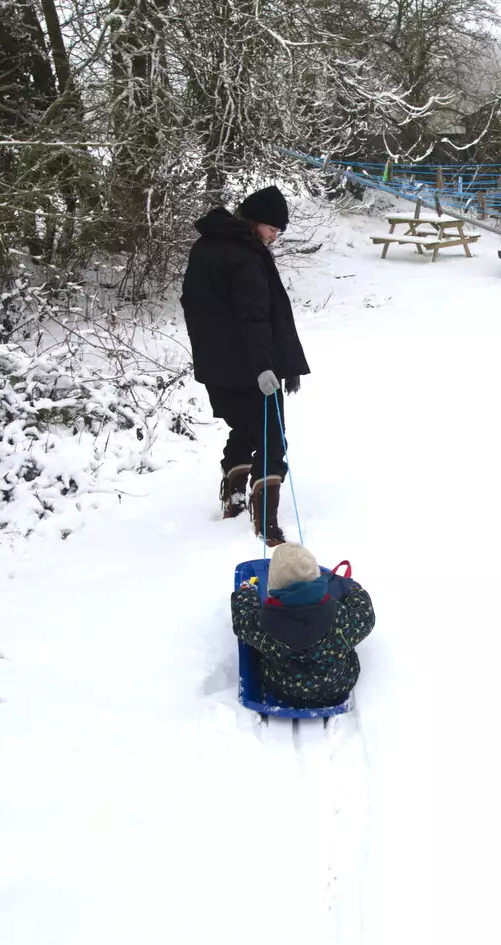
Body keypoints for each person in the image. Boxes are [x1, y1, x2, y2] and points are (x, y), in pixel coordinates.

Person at [181, 185, 310, 544]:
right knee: (271, 436)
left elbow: (196, 308)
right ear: (255, 221)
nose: (274, 236)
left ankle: (234, 496)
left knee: (244, 428)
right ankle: (266, 522)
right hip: (252, 367)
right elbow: (253, 315)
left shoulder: (205, 246)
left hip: (217, 366)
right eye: (272, 228)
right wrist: (264, 365)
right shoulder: (245, 255)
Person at [232, 544, 376, 709]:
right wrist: (354, 591)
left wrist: (245, 592)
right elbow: (366, 615)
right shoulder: (342, 618)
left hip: (281, 689)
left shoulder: (264, 624)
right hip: (338, 686)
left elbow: (241, 619)